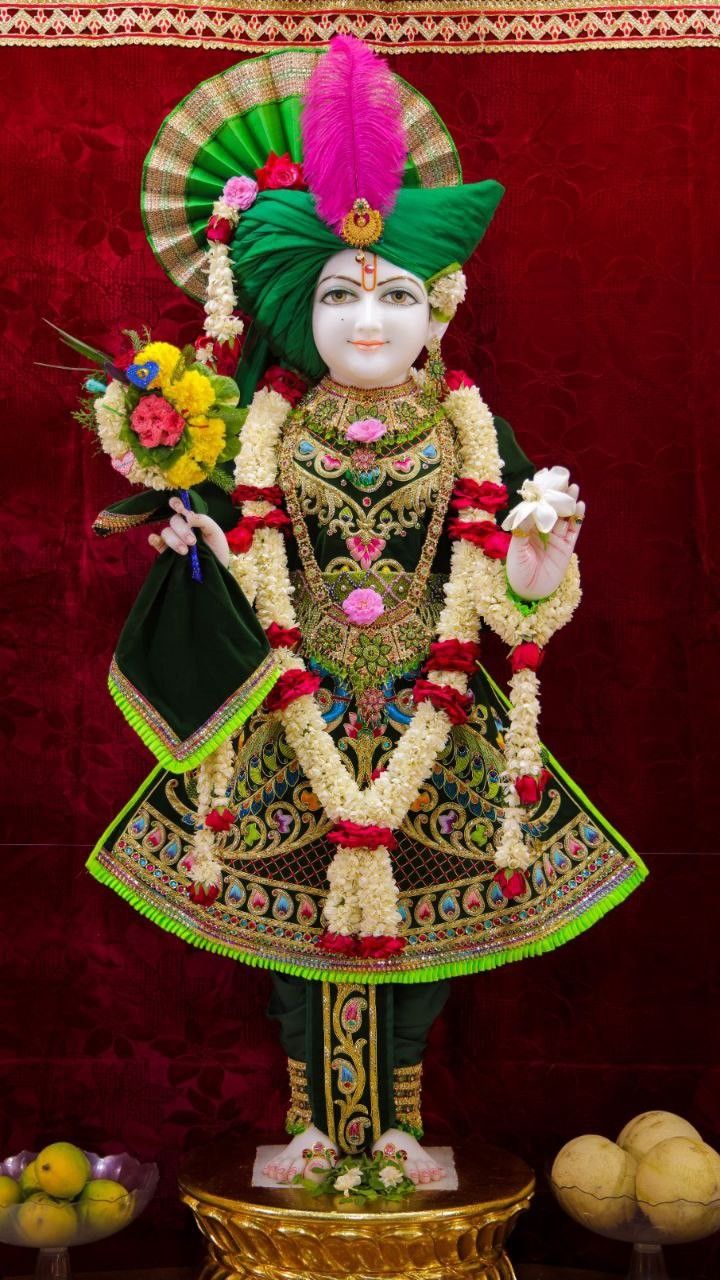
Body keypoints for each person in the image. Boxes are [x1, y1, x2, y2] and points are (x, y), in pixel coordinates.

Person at [87, 37, 647, 1187]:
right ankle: (308, 1119)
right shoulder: (267, 429)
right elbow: (237, 558)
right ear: (301, 309)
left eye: (394, 294)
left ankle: (397, 1120)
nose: (372, 321)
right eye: (343, 296)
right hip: (290, 713)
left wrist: (541, 552)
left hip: (429, 712)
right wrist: (195, 541)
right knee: (294, 936)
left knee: (420, 936)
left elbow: (516, 595)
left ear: (436, 302)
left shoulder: (466, 428)